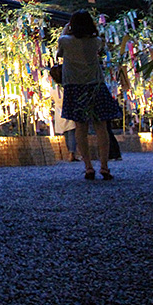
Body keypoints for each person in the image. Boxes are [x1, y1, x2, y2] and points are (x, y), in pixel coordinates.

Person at [56, 10, 121, 180]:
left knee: (80, 128)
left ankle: (88, 167)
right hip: (95, 85)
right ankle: (105, 167)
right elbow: (99, 50)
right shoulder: (96, 41)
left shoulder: (65, 40)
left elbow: (59, 54)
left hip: (75, 86)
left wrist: (65, 30)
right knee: (101, 128)